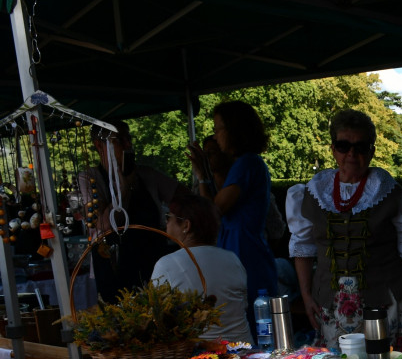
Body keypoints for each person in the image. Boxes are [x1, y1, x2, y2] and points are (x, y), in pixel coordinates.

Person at [286, 109, 402, 351]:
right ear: (333, 149)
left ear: (372, 151)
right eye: (343, 145)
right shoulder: (312, 192)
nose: (351, 153)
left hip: (387, 300)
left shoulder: (389, 192)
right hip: (331, 303)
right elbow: (302, 247)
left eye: (361, 146)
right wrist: (306, 296)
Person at [77, 120, 182, 301]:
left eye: (128, 138)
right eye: (120, 139)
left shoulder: (146, 175)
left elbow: (184, 197)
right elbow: (103, 225)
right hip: (113, 267)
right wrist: (123, 187)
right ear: (99, 145)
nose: (128, 144)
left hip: (153, 263)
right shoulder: (89, 178)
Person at [196, 101, 278, 315]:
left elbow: (213, 211)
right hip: (242, 250)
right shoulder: (246, 164)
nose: (215, 136)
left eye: (217, 129)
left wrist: (202, 176)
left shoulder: (247, 164)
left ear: (234, 130)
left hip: (245, 253)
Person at [151, 192, 253, 345]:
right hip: (245, 351)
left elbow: (154, 319)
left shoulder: (166, 264)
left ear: (186, 225)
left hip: (199, 358)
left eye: (168, 217)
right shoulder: (232, 259)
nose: (166, 223)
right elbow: (243, 305)